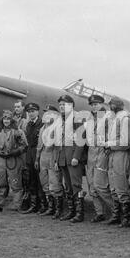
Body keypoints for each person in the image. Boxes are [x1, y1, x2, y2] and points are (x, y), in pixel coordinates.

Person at [51, 95, 86, 223]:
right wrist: (56, 160)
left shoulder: (77, 118)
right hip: (63, 157)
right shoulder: (60, 120)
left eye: (64, 105)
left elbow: (81, 140)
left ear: (71, 105)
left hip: (73, 157)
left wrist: (76, 157)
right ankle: (71, 211)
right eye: (60, 105)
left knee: (77, 185)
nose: (61, 107)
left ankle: (79, 213)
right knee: (68, 186)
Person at [0, 110, 28, 212]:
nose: (6, 121)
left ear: (11, 120)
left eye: (8, 119)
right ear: (2, 120)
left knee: (16, 183)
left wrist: (14, 152)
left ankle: (16, 205)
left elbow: (24, 146)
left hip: (14, 160)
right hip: (0, 160)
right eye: (5, 119)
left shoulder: (18, 132)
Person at [104, 97, 130, 227]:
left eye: (112, 105)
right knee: (113, 186)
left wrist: (109, 144)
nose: (111, 107)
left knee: (121, 185)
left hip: (120, 153)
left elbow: (126, 142)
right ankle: (116, 215)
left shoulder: (124, 118)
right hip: (113, 154)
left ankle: (126, 218)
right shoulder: (115, 119)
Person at [84, 94, 111, 223]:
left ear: (102, 104)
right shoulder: (89, 119)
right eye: (92, 105)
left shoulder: (108, 118)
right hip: (91, 152)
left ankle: (116, 210)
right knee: (91, 185)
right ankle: (99, 212)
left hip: (102, 151)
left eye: (96, 104)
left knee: (100, 185)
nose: (94, 107)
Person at [20, 102, 47, 214]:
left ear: (37, 112)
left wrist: (38, 157)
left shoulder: (42, 124)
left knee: (41, 181)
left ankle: (43, 205)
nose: (31, 114)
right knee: (31, 181)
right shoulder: (28, 125)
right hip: (30, 155)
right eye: (29, 112)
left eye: (33, 111)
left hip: (39, 154)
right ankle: (33, 205)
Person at [35, 105, 60, 216]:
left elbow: (58, 146)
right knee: (44, 182)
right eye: (46, 112)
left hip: (52, 155)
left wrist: (56, 161)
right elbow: (39, 145)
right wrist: (37, 159)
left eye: (50, 113)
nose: (47, 115)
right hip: (43, 156)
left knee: (54, 182)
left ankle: (58, 209)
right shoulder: (42, 128)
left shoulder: (57, 127)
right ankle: (50, 207)